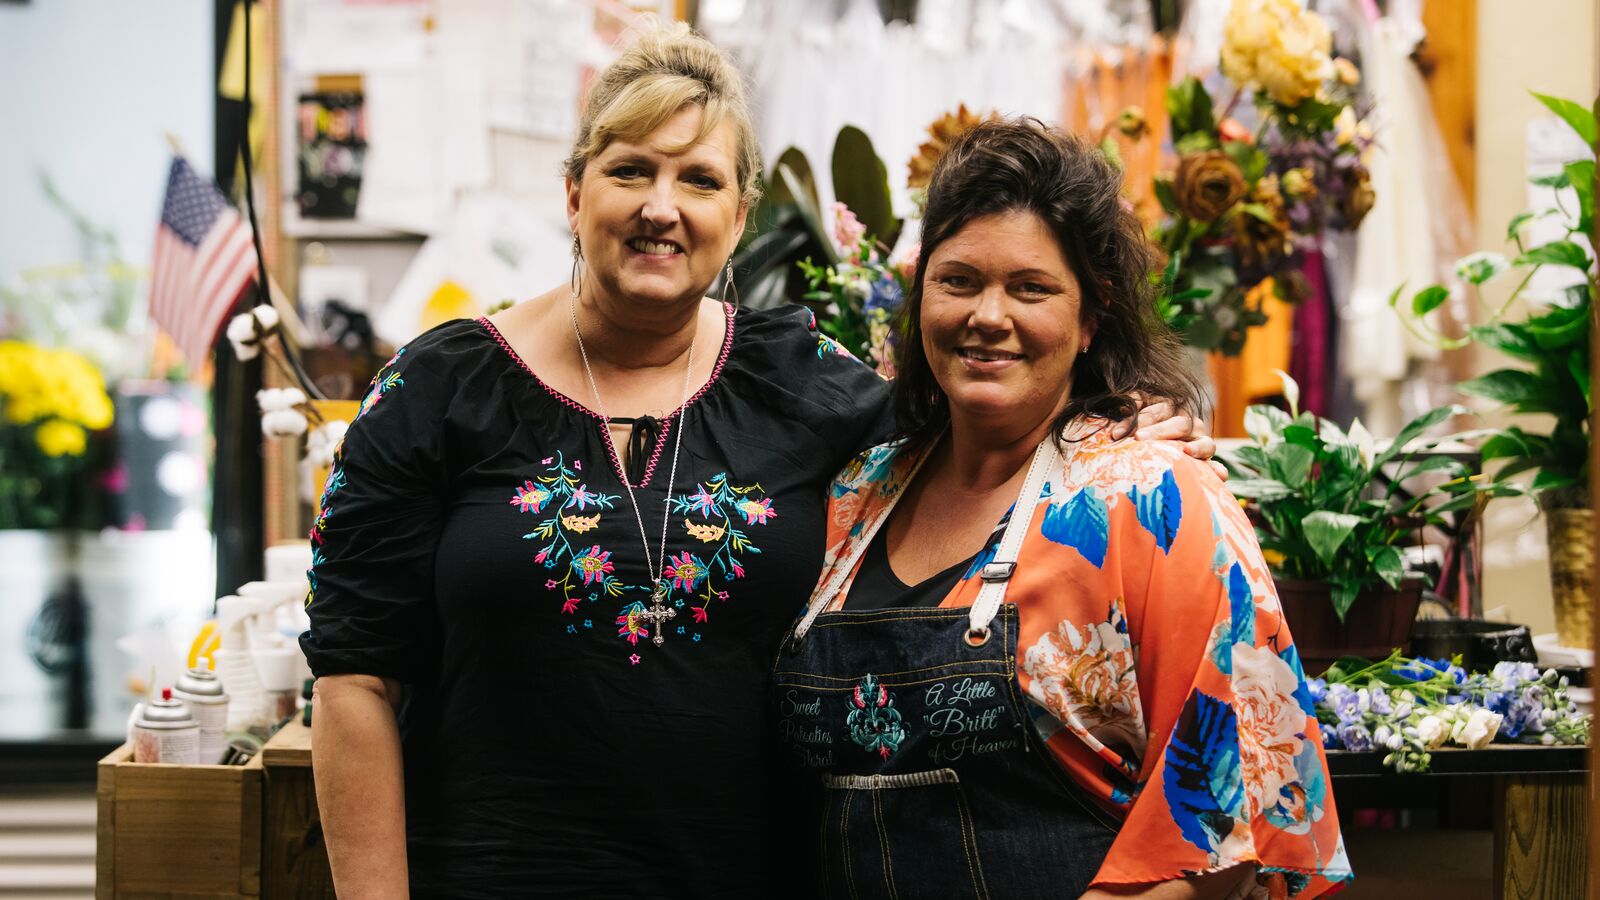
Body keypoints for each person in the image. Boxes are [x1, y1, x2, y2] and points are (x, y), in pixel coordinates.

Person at [302, 23, 1215, 900]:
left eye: (698, 179)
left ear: (739, 218)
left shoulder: (811, 389)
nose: (662, 207)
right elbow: (352, 678)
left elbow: (982, 421)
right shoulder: (434, 390)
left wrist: (1112, 417)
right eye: (630, 170)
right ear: (575, 193)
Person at [774, 118, 1351, 899]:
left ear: (1090, 318)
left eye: (1031, 287)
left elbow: (1233, 819)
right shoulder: (856, 494)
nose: (988, 314)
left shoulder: (1153, 499)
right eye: (959, 280)